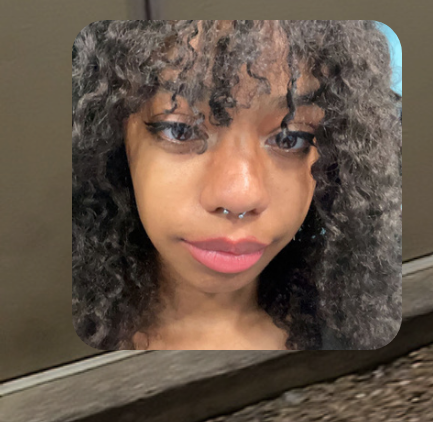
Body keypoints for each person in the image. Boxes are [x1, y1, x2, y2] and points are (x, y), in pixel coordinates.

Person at [71, 20, 402, 350]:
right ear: (112, 135)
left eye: (290, 138)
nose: (240, 196)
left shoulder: (354, 334)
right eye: (181, 130)